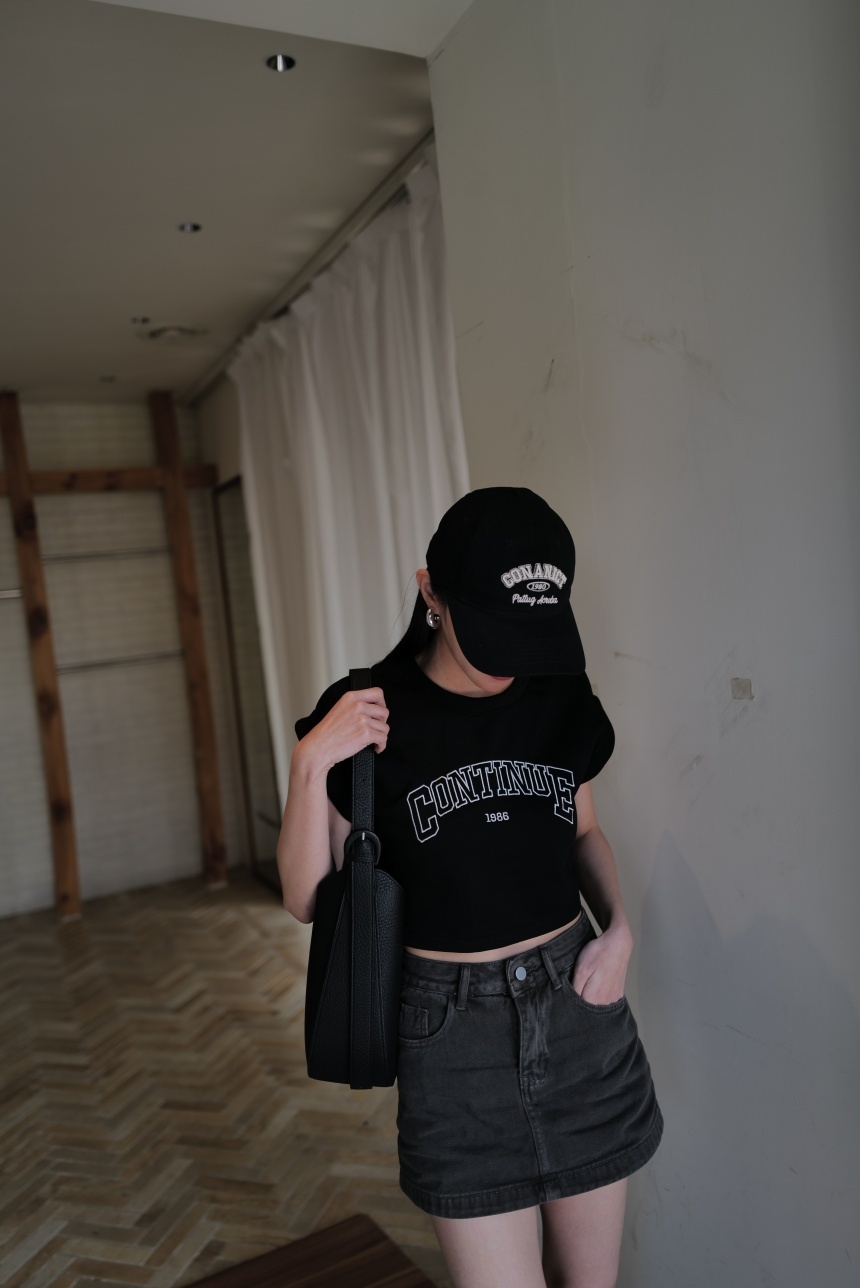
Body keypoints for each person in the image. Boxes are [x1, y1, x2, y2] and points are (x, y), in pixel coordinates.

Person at [277, 487, 663, 1288]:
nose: (510, 661)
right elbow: (308, 898)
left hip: (579, 1014)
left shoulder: (558, 690)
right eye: (492, 634)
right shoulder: (368, 714)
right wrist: (311, 763)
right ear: (431, 592)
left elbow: (583, 833)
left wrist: (621, 930)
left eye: (529, 633)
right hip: (450, 1042)